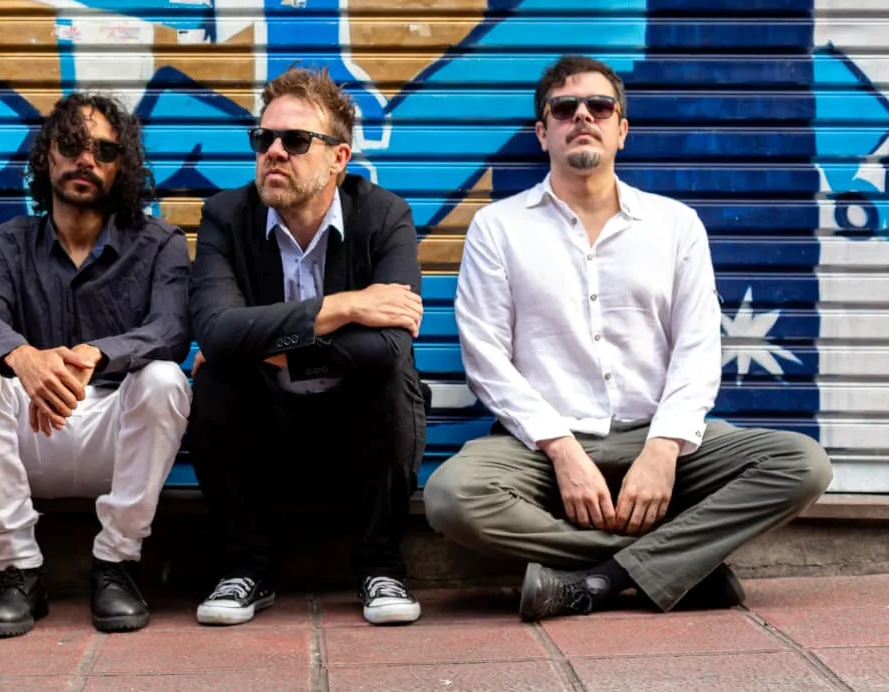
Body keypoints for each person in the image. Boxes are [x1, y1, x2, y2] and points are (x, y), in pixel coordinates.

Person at [424, 54, 833, 621]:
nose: (582, 116)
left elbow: (697, 350)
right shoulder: (499, 227)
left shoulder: (675, 225)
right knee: (451, 496)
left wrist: (663, 449)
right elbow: (486, 358)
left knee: (803, 464)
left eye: (599, 106)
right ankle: (668, 568)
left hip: (657, 435)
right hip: (543, 447)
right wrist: (562, 450)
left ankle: (598, 581)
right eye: (564, 108)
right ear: (543, 133)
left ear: (621, 129)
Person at [187, 66, 428, 627]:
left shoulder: (384, 215)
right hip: (265, 424)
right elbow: (216, 333)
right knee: (215, 379)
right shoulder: (225, 216)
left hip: (355, 425)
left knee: (396, 380)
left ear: (339, 158)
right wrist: (344, 307)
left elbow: (387, 348)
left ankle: (380, 566)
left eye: (295, 140)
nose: (274, 152)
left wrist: (267, 347)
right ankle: (243, 568)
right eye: (264, 138)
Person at [0, 93, 191, 638]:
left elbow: (172, 329)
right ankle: (18, 570)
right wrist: (24, 358)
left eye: (104, 150)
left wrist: (96, 354)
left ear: (122, 166)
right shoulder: (11, 241)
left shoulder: (160, 244)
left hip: (116, 439)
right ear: (46, 156)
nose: (87, 160)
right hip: (29, 435)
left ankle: (117, 563)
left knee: (164, 378)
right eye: (73, 145)